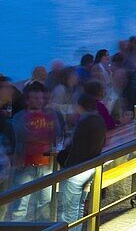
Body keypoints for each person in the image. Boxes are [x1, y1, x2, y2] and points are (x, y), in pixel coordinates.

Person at [7, 82, 63, 221]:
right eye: (36, 98)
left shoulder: (51, 115)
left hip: (47, 165)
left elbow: (58, 134)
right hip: (25, 165)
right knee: (20, 205)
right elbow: (21, 137)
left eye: (41, 98)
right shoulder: (20, 117)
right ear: (27, 100)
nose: (40, 101)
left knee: (44, 204)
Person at [59, 93, 106, 226]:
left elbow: (74, 146)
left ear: (80, 107)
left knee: (70, 209)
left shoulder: (84, 122)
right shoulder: (99, 120)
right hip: (91, 167)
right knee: (79, 206)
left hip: (77, 168)